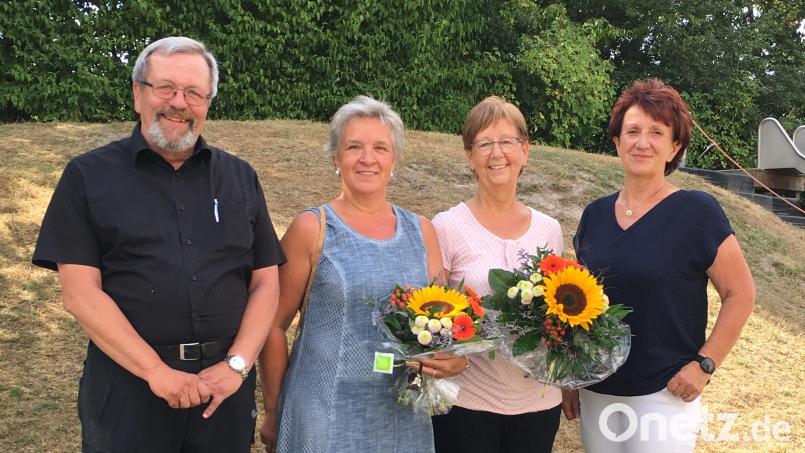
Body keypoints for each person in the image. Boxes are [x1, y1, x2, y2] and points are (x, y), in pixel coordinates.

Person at [31, 36, 285, 452]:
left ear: (207, 102)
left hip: (224, 390)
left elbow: (265, 283)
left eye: (194, 93)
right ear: (138, 93)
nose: (179, 103)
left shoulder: (240, 178)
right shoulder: (86, 177)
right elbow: (80, 294)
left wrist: (236, 366)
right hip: (128, 387)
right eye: (165, 88)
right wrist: (155, 371)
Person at [257, 95, 466, 453]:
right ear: (336, 158)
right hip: (323, 412)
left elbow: (445, 325)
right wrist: (275, 410)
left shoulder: (422, 232)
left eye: (380, 148)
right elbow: (273, 325)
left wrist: (453, 359)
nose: (367, 158)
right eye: (354, 146)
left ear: (393, 160)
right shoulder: (313, 228)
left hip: (400, 417)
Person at [563, 79, 755, 452]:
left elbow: (741, 292)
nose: (642, 142)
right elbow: (576, 306)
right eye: (632, 131)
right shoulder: (595, 215)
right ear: (617, 141)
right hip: (596, 391)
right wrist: (570, 376)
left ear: (675, 146)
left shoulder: (697, 212)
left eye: (656, 132)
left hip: (664, 394)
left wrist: (705, 364)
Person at [430, 96, 564, 453]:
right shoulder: (446, 226)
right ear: (469, 156)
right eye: (484, 143)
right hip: (466, 404)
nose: (496, 153)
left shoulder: (549, 230)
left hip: (539, 402)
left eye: (507, 141)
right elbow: (433, 317)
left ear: (524, 151)